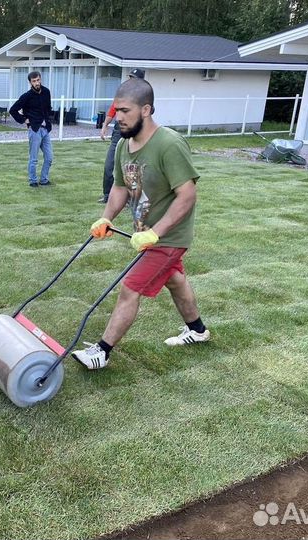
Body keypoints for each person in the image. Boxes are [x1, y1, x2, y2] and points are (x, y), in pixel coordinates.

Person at [72, 77, 210, 370]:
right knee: (174, 279)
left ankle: (102, 352)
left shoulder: (169, 144)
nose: (118, 117)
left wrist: (156, 234)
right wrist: (106, 217)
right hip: (147, 233)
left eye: (125, 111)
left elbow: (187, 196)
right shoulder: (125, 145)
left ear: (146, 110)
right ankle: (198, 330)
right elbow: (120, 188)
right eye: (116, 110)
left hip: (169, 236)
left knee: (131, 287)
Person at [98, 68, 146, 204]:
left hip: (136, 131)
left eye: (134, 78)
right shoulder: (122, 93)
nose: (131, 81)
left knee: (133, 167)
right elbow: (113, 110)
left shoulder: (144, 96)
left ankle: (131, 199)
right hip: (119, 132)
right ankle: (108, 196)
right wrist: (104, 126)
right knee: (109, 165)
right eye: (130, 77)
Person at [9, 71, 54, 187]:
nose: (37, 83)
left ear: (41, 80)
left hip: (45, 130)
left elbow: (48, 108)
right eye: (34, 81)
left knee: (49, 158)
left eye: (38, 80)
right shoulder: (26, 96)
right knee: (34, 159)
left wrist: (48, 120)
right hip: (34, 130)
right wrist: (24, 120)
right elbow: (13, 110)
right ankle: (33, 180)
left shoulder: (46, 92)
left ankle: (44, 180)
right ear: (30, 82)